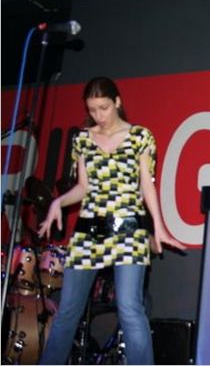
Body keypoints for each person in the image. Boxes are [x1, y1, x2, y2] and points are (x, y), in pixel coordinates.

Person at [37, 76, 185, 364]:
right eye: (92, 109)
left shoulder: (140, 136)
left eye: (103, 108)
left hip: (128, 231)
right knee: (67, 312)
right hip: (87, 232)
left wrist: (158, 227)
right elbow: (83, 187)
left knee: (130, 309)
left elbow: (146, 185)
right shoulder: (82, 139)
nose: (99, 115)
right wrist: (58, 202)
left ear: (117, 102)